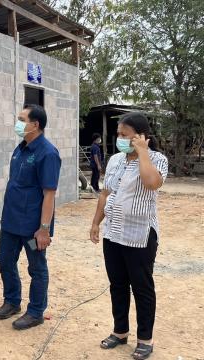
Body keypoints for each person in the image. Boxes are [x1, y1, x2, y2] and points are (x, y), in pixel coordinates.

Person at [89, 112, 168, 360]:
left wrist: (143, 153)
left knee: (142, 287)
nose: (120, 139)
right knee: (118, 285)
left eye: (125, 135)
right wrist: (95, 223)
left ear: (141, 136)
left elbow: (152, 183)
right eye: (118, 134)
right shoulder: (114, 160)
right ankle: (119, 331)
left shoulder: (157, 159)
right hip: (112, 233)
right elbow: (105, 193)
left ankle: (145, 339)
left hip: (140, 235)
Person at [0, 105, 61, 330]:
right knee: (4, 261)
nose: (18, 122)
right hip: (12, 223)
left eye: (22, 119)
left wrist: (44, 229)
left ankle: (35, 312)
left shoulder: (48, 153)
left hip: (33, 227)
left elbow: (49, 194)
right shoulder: (20, 148)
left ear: (36, 125)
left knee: (37, 268)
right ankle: (12, 301)